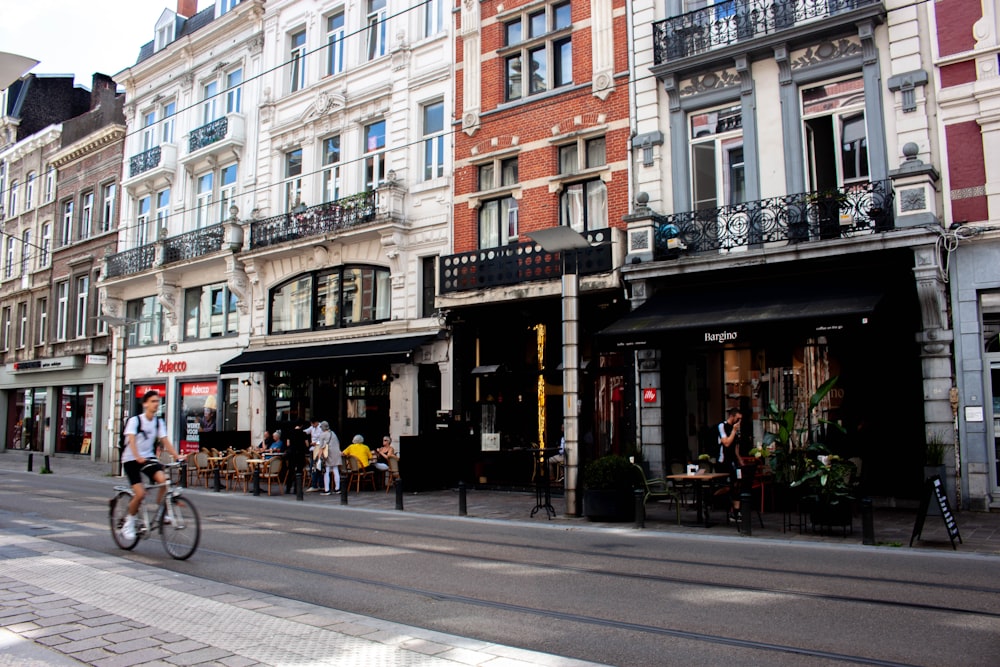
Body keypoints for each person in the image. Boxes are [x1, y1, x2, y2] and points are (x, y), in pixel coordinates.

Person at [120, 390, 183, 541]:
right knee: (140, 494)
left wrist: (177, 455)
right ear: (145, 404)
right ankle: (129, 522)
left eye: (158, 401)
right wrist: (137, 456)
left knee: (164, 481)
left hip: (148, 459)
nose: (156, 404)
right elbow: (132, 440)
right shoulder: (135, 421)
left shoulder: (158, 422)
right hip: (131, 459)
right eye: (153, 401)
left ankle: (161, 511)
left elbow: (165, 440)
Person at [717, 408, 743, 523]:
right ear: (732, 416)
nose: (739, 421)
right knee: (727, 487)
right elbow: (727, 443)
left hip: (733, 462)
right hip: (724, 462)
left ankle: (736, 512)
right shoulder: (722, 426)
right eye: (738, 418)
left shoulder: (736, 430)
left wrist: (740, 460)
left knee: (737, 485)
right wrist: (733, 431)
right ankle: (709, 499)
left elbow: (735, 447)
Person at [283, 422, 310, 494]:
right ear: (301, 426)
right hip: (300, 454)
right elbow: (307, 444)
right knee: (299, 472)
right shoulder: (303, 433)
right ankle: (297, 489)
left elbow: (288, 444)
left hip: (292, 454)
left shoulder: (290, 432)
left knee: (291, 471)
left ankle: (288, 488)